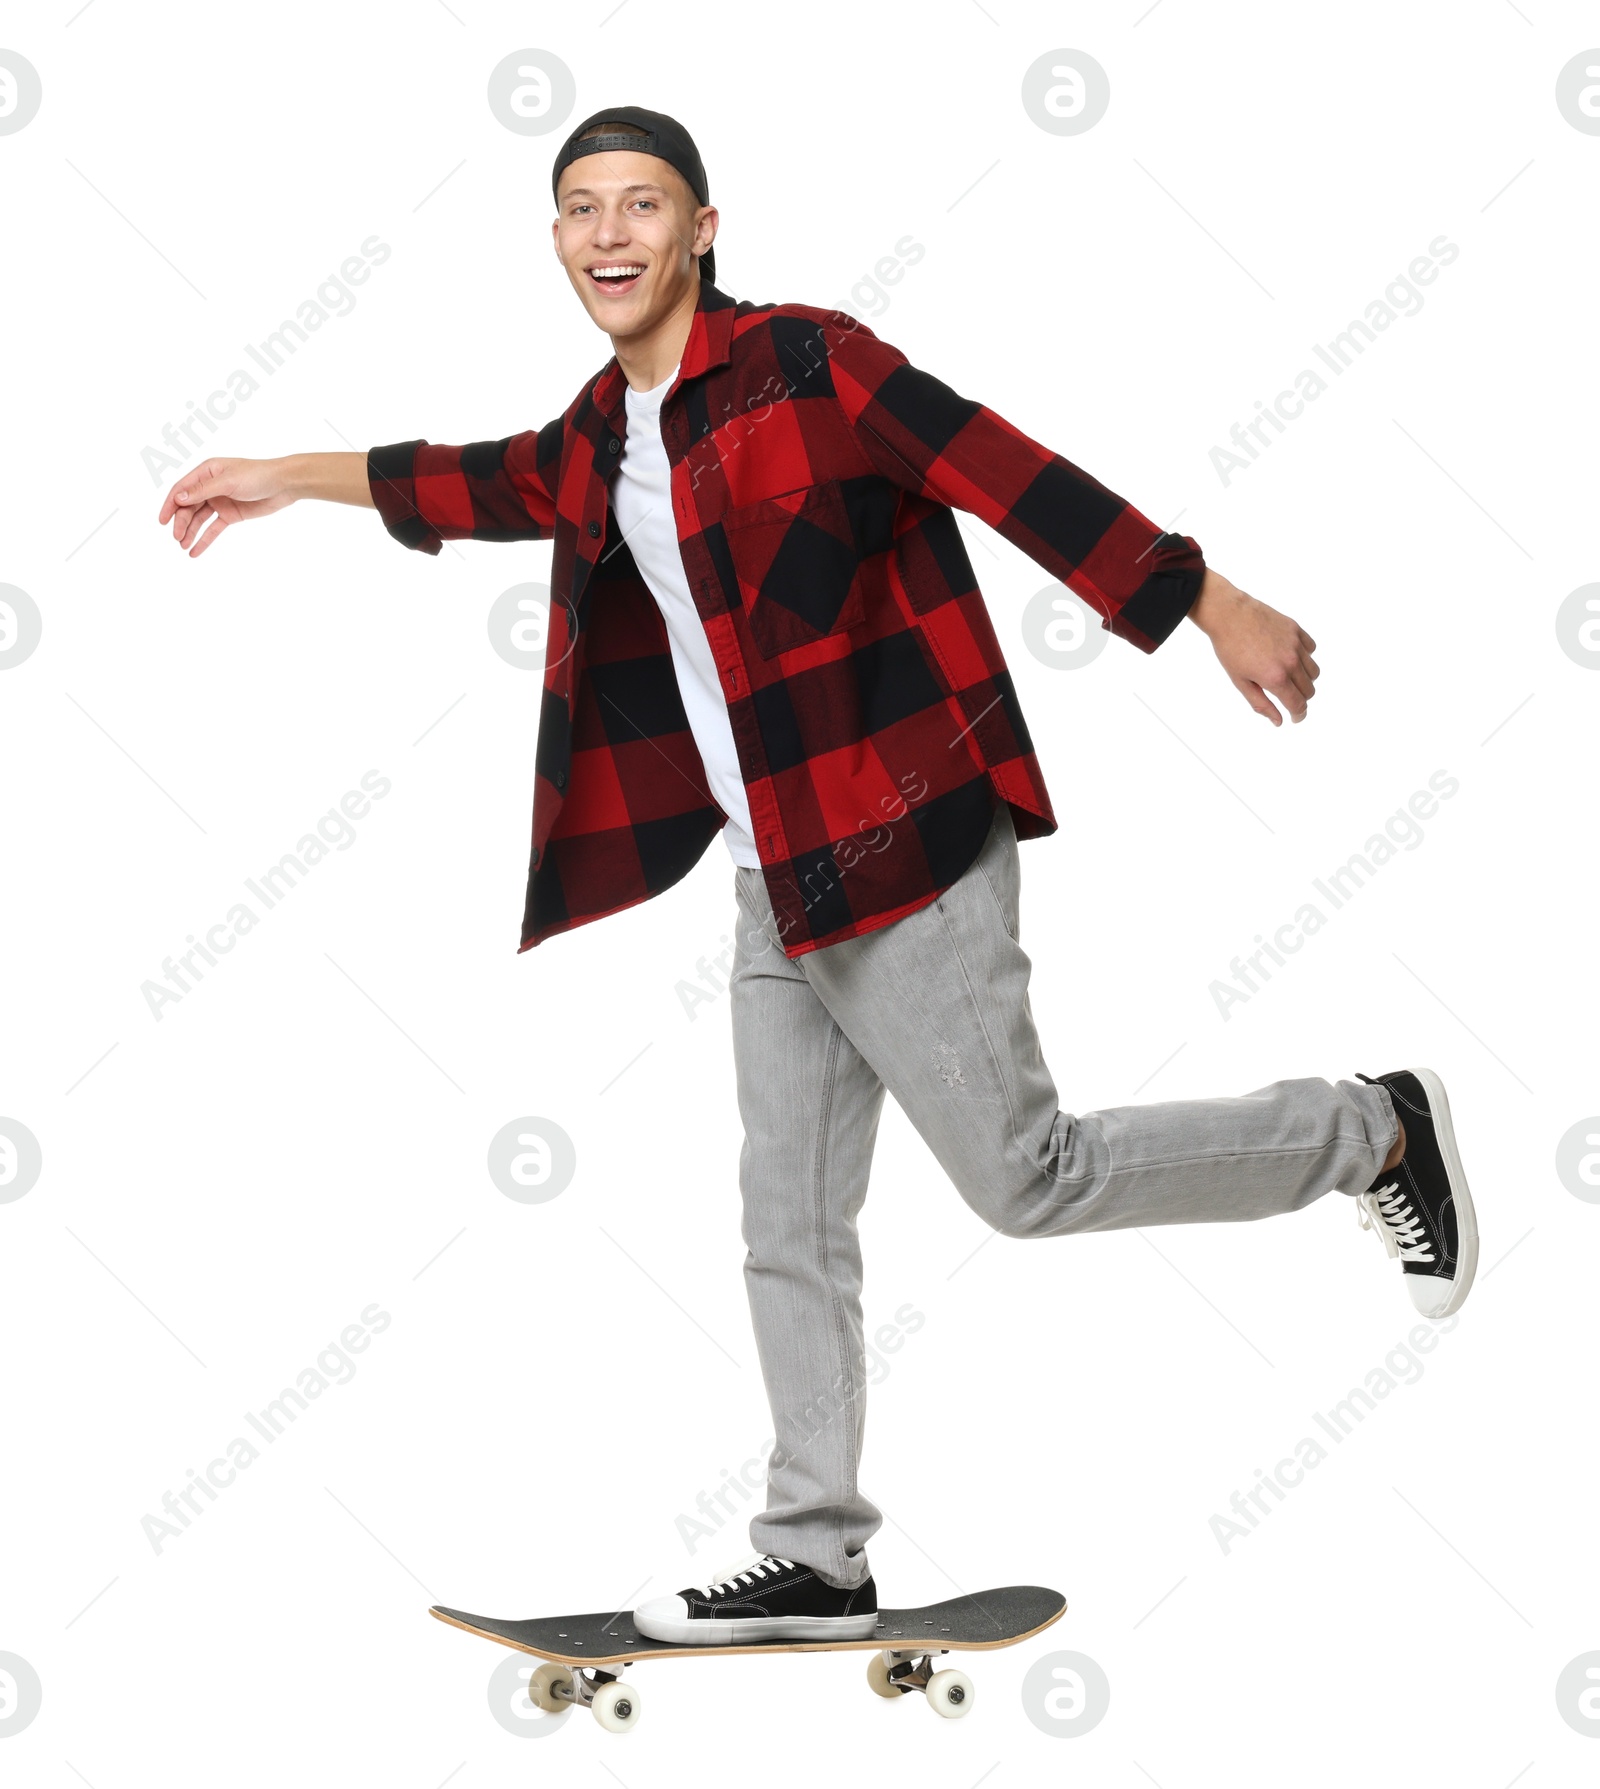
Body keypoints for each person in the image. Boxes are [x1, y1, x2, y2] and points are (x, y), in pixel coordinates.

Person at [157, 106, 1479, 1646]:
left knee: (1026, 1178)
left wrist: (1205, 601)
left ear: (702, 228)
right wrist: (280, 475)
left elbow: (1005, 470)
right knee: (786, 1214)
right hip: (778, 877)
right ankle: (816, 1546)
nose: (608, 234)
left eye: (640, 204)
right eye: (580, 208)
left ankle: (1373, 1129)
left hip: (905, 832)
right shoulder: (599, 432)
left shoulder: (808, 363)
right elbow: (463, 479)